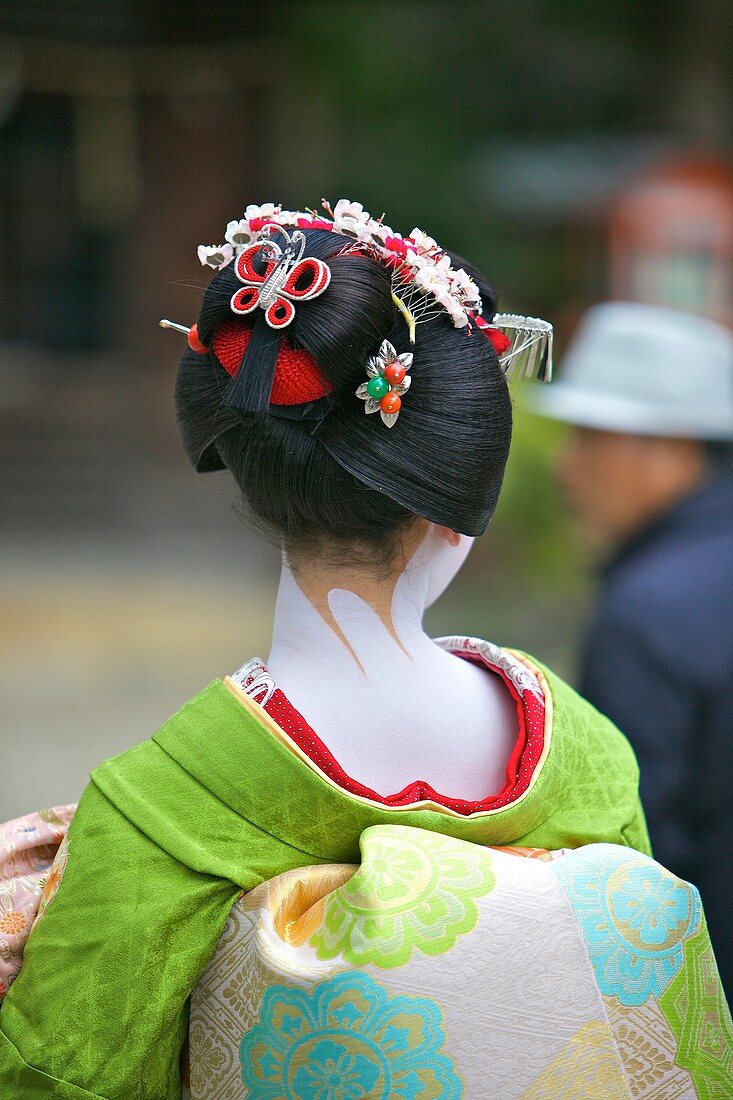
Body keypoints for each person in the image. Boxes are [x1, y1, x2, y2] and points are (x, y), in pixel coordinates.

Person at [0, 205, 729, 1098]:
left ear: (258, 470)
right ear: (455, 510)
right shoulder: (588, 758)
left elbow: (54, 1079)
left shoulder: (161, 804)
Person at [533, 299, 733, 995]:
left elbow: (635, 871)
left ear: (673, 449)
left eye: (591, 436)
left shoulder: (646, 614)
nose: (566, 465)